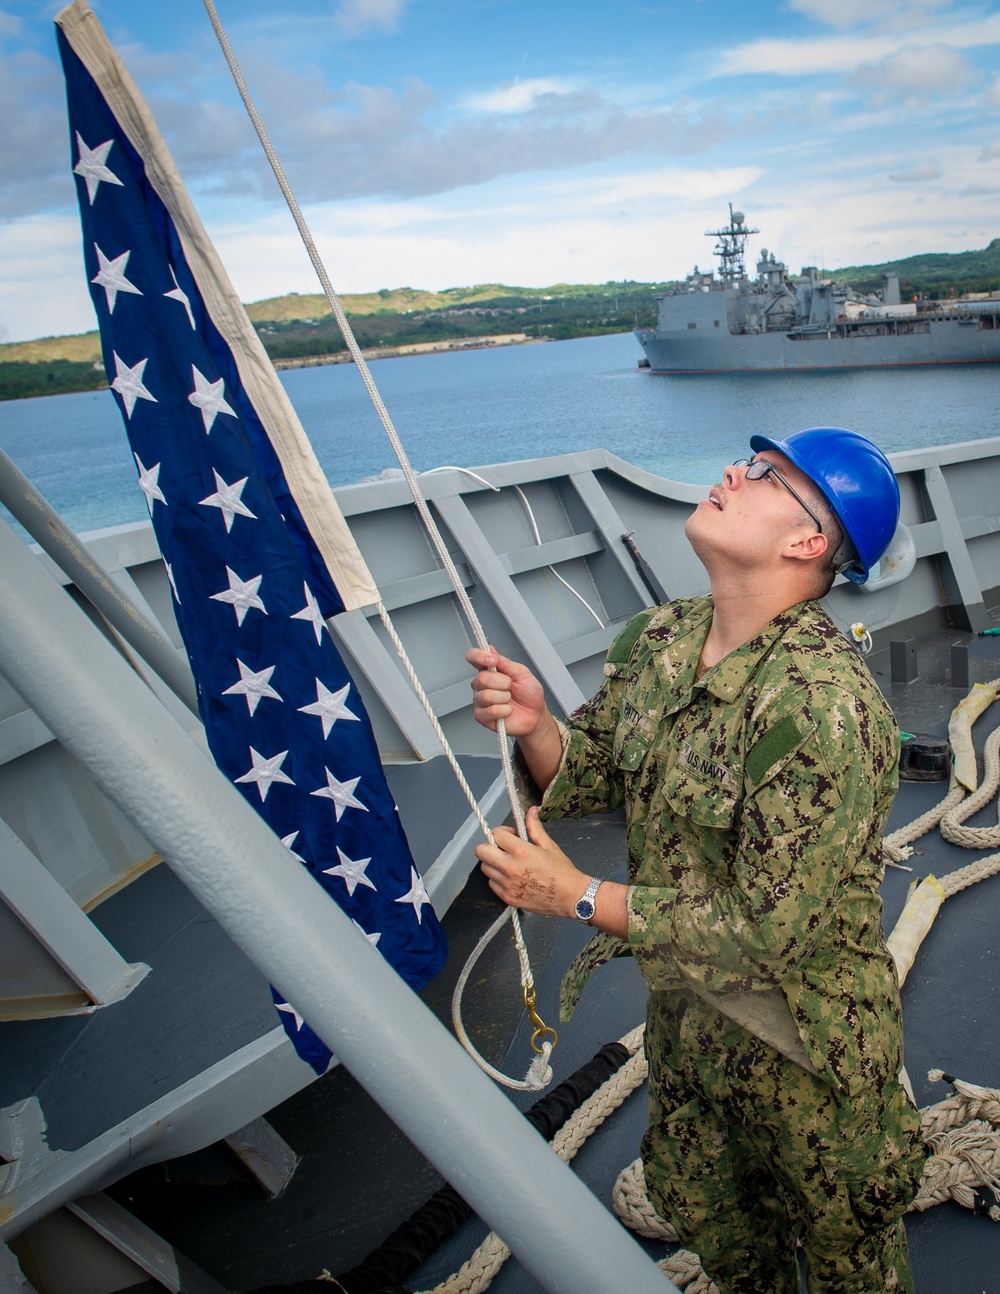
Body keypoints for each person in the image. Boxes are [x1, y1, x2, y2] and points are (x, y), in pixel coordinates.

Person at [467, 427, 926, 1294]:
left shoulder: (823, 708)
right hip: (690, 1027)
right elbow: (597, 764)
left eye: (765, 475)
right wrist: (537, 728)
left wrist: (576, 896)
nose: (732, 472)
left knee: (847, 1261)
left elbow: (767, 934)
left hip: (808, 1050)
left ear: (807, 544)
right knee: (725, 1233)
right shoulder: (663, 640)